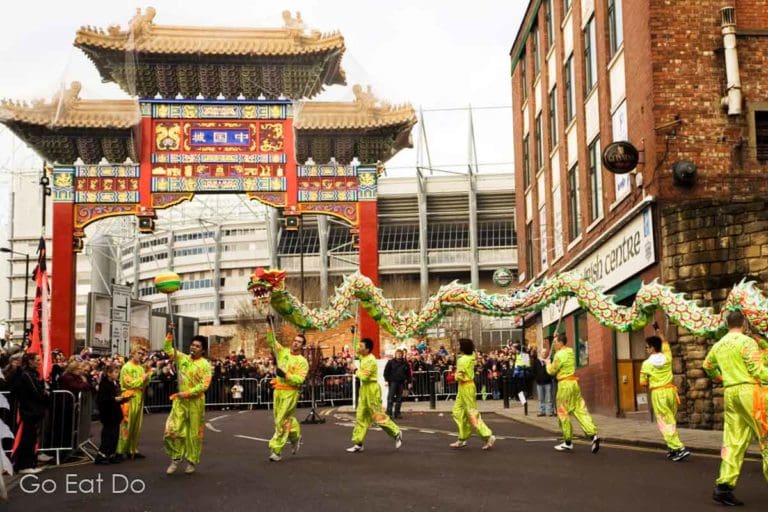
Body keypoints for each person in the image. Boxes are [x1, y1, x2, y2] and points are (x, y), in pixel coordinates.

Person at [702, 310, 768, 506]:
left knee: (733, 440)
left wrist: (721, 378)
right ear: (744, 323)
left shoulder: (719, 344)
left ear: (727, 324)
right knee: (765, 437)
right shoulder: (747, 342)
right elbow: (757, 371)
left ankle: (723, 486)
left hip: (730, 392)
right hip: (750, 392)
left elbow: (707, 365)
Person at [163, 333, 213, 475]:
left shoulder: (205, 365)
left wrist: (186, 393)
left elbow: (204, 385)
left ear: (202, 350)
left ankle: (191, 461)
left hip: (195, 402)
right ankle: (175, 458)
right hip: (180, 401)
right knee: (173, 429)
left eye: (197, 346)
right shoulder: (182, 358)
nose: (193, 347)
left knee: (194, 433)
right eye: (192, 345)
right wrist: (170, 335)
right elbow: (167, 349)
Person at [639, 325, 690, 462]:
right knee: (671, 420)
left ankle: (679, 448)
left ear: (652, 348)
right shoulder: (667, 357)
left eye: (646, 347)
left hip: (658, 392)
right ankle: (672, 448)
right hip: (671, 391)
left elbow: (643, 383)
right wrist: (658, 330)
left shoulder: (646, 364)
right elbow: (665, 342)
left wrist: (649, 381)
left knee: (664, 422)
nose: (646, 349)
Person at [346, 338, 402, 453]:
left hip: (372, 389)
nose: (359, 348)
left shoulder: (371, 360)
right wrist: (354, 334)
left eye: (361, 346)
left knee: (377, 416)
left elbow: (364, 377)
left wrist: (355, 369)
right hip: (364, 390)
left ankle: (396, 432)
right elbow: (355, 347)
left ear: (367, 349)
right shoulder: (363, 356)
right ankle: (358, 442)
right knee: (360, 416)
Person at [546, 333, 600, 453]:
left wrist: (547, 364)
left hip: (564, 385)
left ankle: (568, 441)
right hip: (574, 384)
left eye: (555, 342)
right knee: (580, 410)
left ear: (560, 343)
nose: (554, 345)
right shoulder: (570, 352)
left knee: (563, 413)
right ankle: (593, 435)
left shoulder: (559, 355)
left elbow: (551, 371)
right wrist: (556, 336)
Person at [265, 318, 308, 462]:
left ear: (302, 346)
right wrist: (268, 326)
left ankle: (276, 450)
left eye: (299, 342)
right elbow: (271, 342)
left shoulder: (303, 362)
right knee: (281, 419)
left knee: (281, 420)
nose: (296, 343)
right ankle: (295, 436)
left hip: (290, 392)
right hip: (278, 390)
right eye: (295, 340)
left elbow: (300, 379)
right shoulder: (282, 352)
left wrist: (286, 375)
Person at [449, 338, 495, 450]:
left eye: (459, 345)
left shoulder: (462, 360)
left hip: (466, 386)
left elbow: (459, 375)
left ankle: (487, 436)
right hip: (465, 387)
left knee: (471, 413)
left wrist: (452, 376)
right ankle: (462, 438)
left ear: (463, 347)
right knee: (457, 411)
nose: (457, 346)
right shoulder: (471, 356)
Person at [11, 352, 49, 474]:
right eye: (37, 360)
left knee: (32, 439)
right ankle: (23, 465)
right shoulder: (26, 375)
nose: (39, 362)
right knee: (27, 439)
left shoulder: (31, 374)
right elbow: (37, 393)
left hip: (33, 411)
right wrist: (45, 395)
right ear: (30, 361)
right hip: (29, 411)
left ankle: (30, 463)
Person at [118, 345, 151, 460]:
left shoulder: (141, 368)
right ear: (132, 353)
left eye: (142, 354)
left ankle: (133, 449)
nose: (141, 356)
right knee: (127, 424)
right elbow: (129, 383)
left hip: (138, 396)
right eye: (139, 353)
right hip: (128, 397)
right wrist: (143, 378)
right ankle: (121, 450)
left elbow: (144, 383)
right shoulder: (126, 367)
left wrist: (147, 376)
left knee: (137, 425)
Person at [95, 364, 127, 465]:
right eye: (116, 372)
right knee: (108, 435)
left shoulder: (114, 383)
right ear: (109, 373)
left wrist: (123, 399)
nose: (117, 374)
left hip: (115, 413)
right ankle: (101, 455)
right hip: (108, 413)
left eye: (118, 372)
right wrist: (114, 399)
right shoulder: (104, 384)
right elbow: (102, 399)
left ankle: (111, 454)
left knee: (115, 435)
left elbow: (116, 397)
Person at [383, 349, 410, 419]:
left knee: (399, 399)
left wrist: (409, 382)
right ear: (395, 354)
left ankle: (397, 413)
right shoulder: (390, 362)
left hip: (401, 382)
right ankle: (389, 413)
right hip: (393, 382)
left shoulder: (405, 363)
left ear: (402, 355)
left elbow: (408, 373)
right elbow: (386, 372)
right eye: (397, 354)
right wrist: (386, 380)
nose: (399, 355)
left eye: (400, 354)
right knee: (390, 398)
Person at [532, 347, 555, 417]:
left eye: (545, 352)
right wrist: (537, 379)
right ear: (540, 353)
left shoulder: (549, 360)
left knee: (549, 398)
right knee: (541, 398)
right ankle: (542, 411)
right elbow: (533, 371)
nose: (544, 353)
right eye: (543, 352)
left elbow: (552, 370)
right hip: (539, 383)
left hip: (548, 382)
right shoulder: (536, 361)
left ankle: (550, 411)